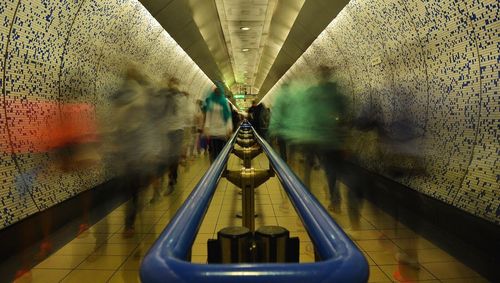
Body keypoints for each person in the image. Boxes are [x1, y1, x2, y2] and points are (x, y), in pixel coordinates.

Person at [203, 83, 233, 163]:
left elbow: (228, 116)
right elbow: (208, 116)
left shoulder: (224, 102)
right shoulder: (211, 101)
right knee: (214, 152)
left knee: (222, 152)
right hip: (213, 132)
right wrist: (206, 127)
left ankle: (222, 168)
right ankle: (214, 170)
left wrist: (229, 128)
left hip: (222, 131)